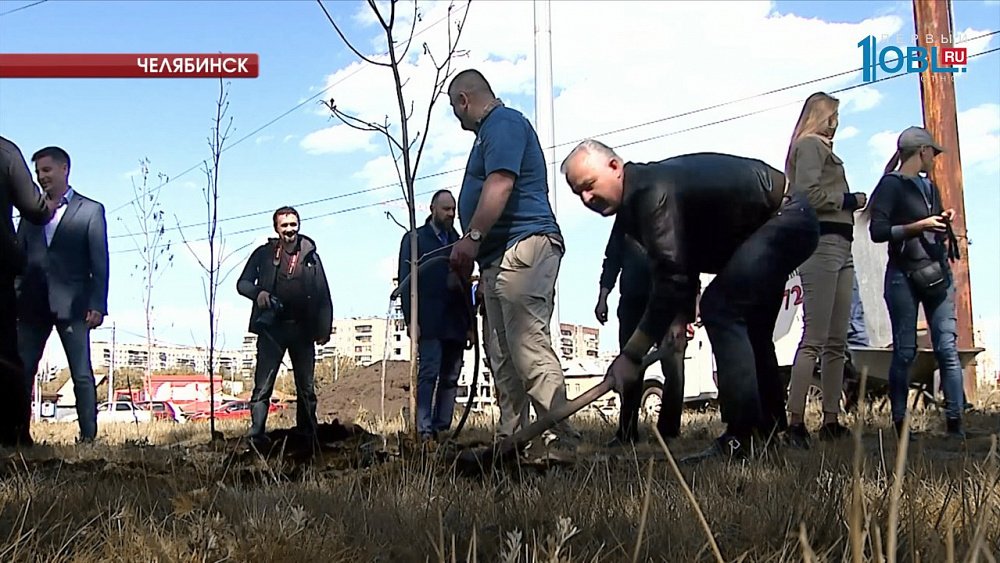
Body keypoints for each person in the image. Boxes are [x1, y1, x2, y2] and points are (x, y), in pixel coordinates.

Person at [561, 139, 820, 460]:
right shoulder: (636, 204)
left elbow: (672, 279)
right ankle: (770, 433)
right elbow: (685, 261)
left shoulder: (650, 194)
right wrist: (680, 320)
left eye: (589, 185)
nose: (586, 198)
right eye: (578, 193)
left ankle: (743, 437)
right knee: (752, 329)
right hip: (779, 220)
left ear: (614, 166)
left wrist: (632, 354)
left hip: (785, 217)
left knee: (721, 309)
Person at [446, 68, 580, 450]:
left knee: (527, 347)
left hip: (523, 247)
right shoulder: (489, 132)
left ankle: (560, 442)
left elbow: (501, 182)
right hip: (497, 257)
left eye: (455, 109)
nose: (456, 119)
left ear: (463, 101)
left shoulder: (503, 123)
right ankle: (513, 444)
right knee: (503, 357)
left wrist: (471, 238)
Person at [783, 92, 869, 449]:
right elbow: (805, 193)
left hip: (843, 244)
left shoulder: (823, 148)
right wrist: (848, 201)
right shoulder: (809, 146)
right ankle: (795, 421)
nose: (837, 122)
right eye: (833, 115)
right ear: (821, 116)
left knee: (836, 341)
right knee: (815, 337)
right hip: (822, 243)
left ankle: (831, 419)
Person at [868, 126, 965, 439]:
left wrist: (941, 220)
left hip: (935, 272)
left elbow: (930, 223)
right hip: (902, 276)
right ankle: (900, 424)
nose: (934, 159)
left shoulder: (928, 188)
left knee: (947, 348)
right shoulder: (891, 185)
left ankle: (956, 423)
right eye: (932, 153)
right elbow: (878, 231)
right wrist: (919, 225)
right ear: (921, 151)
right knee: (905, 351)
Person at [15, 146, 109, 444]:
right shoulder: (31, 212)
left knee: (81, 373)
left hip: (74, 306)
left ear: (64, 169)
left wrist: (98, 304)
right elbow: (19, 257)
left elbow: (100, 261)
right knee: (23, 371)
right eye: (38, 172)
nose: (41, 177)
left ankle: (88, 437)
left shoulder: (91, 210)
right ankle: (18, 434)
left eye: (46, 170)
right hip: (32, 305)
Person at [236, 206, 332, 448]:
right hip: (272, 330)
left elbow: (323, 294)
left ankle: (308, 436)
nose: (290, 230)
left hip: (303, 330)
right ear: (276, 229)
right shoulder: (264, 254)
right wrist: (259, 294)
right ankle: (257, 434)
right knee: (262, 386)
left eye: (293, 224)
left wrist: (324, 329)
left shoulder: (311, 257)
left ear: (299, 225)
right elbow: (242, 283)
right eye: (284, 225)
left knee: (306, 388)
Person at [595, 221, 692, 445]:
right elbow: (612, 260)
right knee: (630, 367)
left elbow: (686, 262)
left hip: (668, 302)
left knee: (674, 366)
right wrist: (602, 298)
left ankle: (669, 432)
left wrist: (685, 311)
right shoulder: (625, 218)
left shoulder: (669, 209)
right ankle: (627, 432)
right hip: (632, 304)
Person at [397, 190, 471, 442]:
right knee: (428, 373)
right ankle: (424, 430)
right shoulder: (415, 239)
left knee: (451, 377)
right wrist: (410, 320)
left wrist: (470, 325)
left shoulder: (458, 241)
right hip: (428, 320)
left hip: (456, 321)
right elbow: (406, 281)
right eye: (446, 209)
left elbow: (465, 283)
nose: (450, 214)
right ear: (432, 209)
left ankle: (442, 429)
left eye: (453, 210)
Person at [0, 136, 57, 448]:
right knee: (7, 354)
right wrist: (46, 206)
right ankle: (12, 434)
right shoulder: (5, 152)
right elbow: (34, 208)